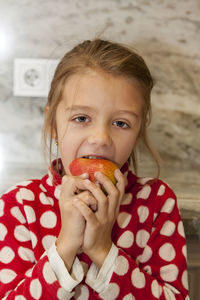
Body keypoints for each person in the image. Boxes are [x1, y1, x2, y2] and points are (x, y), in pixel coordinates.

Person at [0, 39, 189, 299]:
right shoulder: (19, 205)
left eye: (121, 123)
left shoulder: (156, 204)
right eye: (81, 118)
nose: (100, 137)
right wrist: (65, 246)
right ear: (52, 123)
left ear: (138, 132)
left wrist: (103, 251)